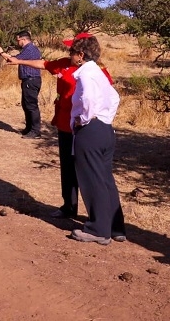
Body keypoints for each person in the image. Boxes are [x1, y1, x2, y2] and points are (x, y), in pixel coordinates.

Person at [0, 32, 113, 220]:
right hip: (64, 123)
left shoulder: (95, 71)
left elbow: (108, 96)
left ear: (82, 52)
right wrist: (19, 62)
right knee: (67, 169)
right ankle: (69, 206)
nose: (69, 52)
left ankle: (100, 218)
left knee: (88, 172)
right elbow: (44, 64)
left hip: (84, 128)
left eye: (72, 49)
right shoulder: (63, 63)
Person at [67, 35, 125, 245]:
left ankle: (99, 230)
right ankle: (116, 227)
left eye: (72, 52)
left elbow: (88, 100)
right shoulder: (99, 73)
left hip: (90, 130)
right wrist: (105, 117)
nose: (70, 56)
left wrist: (83, 120)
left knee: (92, 179)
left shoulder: (85, 74)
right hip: (105, 129)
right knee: (105, 178)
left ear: (80, 55)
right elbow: (115, 97)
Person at [0, 30, 42, 138]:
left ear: (23, 39)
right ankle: (29, 128)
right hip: (29, 80)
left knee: (31, 105)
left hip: (31, 80)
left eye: (18, 40)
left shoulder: (29, 49)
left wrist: (1, 53)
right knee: (26, 104)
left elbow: (13, 60)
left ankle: (35, 130)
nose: (17, 42)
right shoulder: (28, 49)